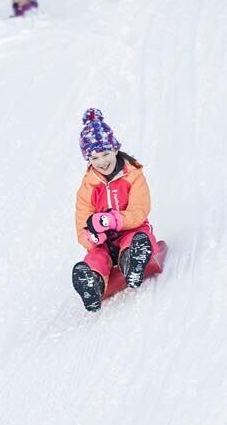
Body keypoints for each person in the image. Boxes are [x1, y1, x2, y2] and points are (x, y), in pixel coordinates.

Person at [71, 108, 160, 312]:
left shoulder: (133, 176)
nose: (102, 162)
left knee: (138, 239)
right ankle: (92, 283)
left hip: (131, 230)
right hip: (104, 242)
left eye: (105, 153)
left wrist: (113, 220)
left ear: (115, 149)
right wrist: (92, 235)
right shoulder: (88, 188)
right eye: (94, 158)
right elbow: (81, 229)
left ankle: (133, 261)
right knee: (96, 257)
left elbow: (140, 210)